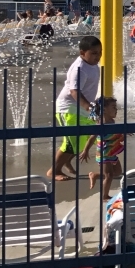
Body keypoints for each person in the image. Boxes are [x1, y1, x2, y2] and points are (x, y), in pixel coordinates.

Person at [48, 36, 103, 182]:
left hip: (83, 108)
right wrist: (90, 108)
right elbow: (74, 91)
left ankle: (66, 160)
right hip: (69, 108)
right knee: (72, 141)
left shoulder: (93, 66)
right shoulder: (79, 68)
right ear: (82, 53)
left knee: (89, 136)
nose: (97, 56)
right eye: (93, 53)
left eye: (99, 52)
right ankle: (54, 170)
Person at [81, 97, 124, 201]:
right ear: (104, 110)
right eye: (113, 107)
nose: (116, 109)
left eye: (116, 107)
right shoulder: (101, 123)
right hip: (104, 152)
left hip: (111, 151)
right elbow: (92, 138)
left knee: (118, 172)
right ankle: (104, 196)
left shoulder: (112, 121)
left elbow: (114, 132)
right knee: (109, 175)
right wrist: (85, 150)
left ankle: (95, 175)